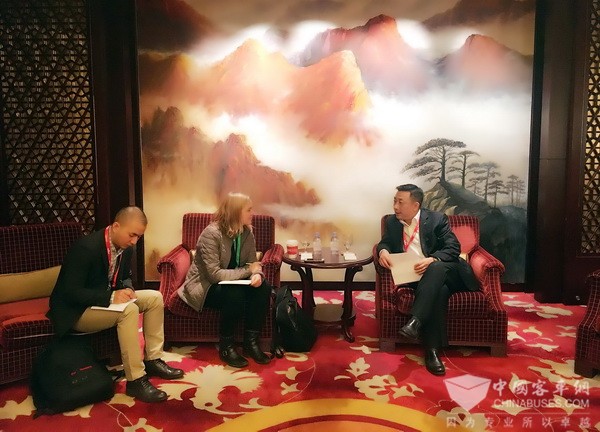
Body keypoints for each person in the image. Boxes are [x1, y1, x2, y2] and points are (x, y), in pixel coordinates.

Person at [47, 206, 184, 403]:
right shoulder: (86, 248)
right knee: (129, 310)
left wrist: (127, 288)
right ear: (116, 226)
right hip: (76, 311)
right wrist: (111, 297)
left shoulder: (126, 248)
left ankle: (153, 359)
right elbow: (70, 292)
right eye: (132, 235)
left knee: (154, 298)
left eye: (138, 236)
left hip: (103, 302)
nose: (134, 241)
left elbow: (124, 277)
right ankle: (136, 380)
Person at [376, 184, 479, 376]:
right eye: (394, 201)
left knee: (436, 268)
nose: (395, 207)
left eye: (400, 202)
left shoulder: (437, 219)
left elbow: (453, 248)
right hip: (419, 278)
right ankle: (432, 351)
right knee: (439, 291)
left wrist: (433, 259)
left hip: (449, 272)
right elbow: (385, 242)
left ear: (415, 205)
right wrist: (383, 251)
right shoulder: (392, 222)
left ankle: (416, 321)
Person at [178, 192, 272, 368]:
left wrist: (257, 275)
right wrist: (248, 270)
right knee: (234, 294)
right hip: (205, 285)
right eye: (248, 210)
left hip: (234, 282)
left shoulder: (247, 232)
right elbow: (214, 275)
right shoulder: (211, 233)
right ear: (235, 211)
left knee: (264, 287)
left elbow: (253, 263)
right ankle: (226, 347)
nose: (252, 213)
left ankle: (251, 343)